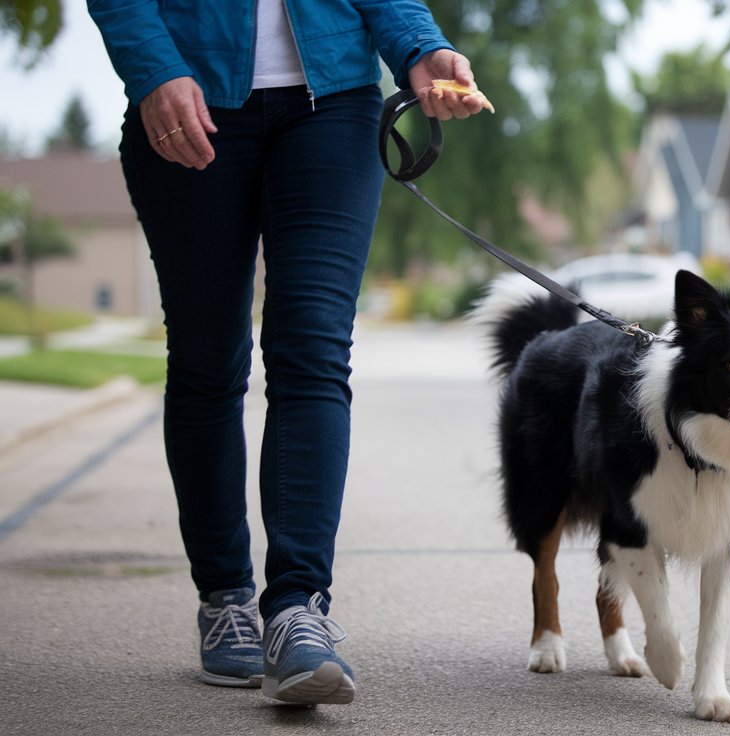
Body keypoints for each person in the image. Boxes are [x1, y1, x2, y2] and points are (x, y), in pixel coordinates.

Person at [88, 0, 486, 705]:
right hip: (189, 96)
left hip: (332, 103)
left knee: (313, 349)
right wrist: (153, 70)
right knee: (210, 360)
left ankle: (299, 608)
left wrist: (420, 48)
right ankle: (225, 598)